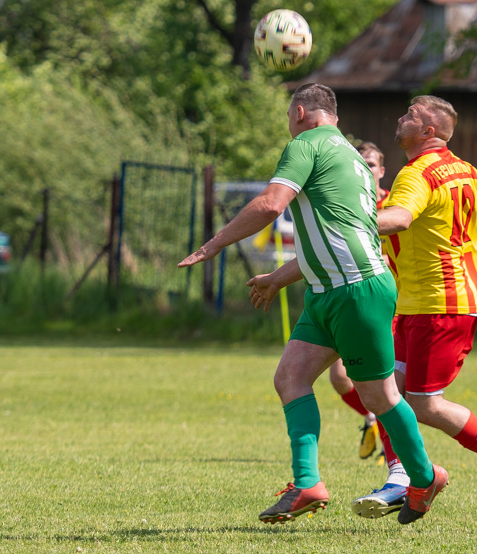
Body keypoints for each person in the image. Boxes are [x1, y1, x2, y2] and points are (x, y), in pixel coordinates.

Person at [178, 84, 448, 524]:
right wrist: (277, 279)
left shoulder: (306, 144)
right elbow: (334, 237)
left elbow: (270, 205)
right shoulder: (351, 157)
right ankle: (307, 484)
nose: (290, 125)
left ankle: (424, 476)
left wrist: (215, 244)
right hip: (327, 291)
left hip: (356, 289)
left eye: (289, 117)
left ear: (300, 113)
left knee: (378, 395)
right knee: (290, 377)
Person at [351, 95, 477, 519]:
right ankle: (404, 477)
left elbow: (397, 219)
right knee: (381, 389)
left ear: (428, 132)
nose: (401, 118)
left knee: (423, 403)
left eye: (410, 116)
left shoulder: (417, 174)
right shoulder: (465, 170)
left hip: (444, 304)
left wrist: (343, 224)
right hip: (422, 304)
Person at [328, 141, 390, 461]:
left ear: (382, 170)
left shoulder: (394, 205)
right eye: (361, 163)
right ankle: (372, 419)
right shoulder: (347, 203)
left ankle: (395, 452)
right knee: (339, 377)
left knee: (388, 385)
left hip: (386, 302)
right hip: (350, 298)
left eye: (372, 164)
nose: (366, 168)